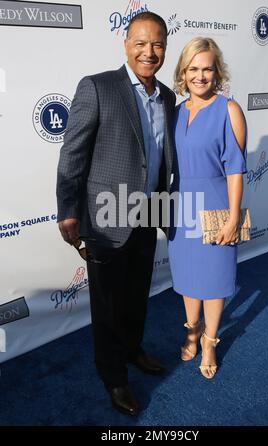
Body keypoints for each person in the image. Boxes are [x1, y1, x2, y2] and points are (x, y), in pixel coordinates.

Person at [56, 12, 176, 415]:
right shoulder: (98, 87)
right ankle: (113, 375)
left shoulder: (167, 96)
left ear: (165, 47)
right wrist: (68, 210)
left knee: (137, 293)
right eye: (141, 43)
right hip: (106, 217)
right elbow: (72, 153)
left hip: (148, 211)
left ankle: (132, 349)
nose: (149, 52)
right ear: (125, 44)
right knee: (106, 303)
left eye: (157, 44)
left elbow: (159, 159)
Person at [168, 37, 247, 379]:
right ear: (183, 73)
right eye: (193, 69)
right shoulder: (174, 112)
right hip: (179, 205)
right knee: (188, 277)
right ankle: (191, 331)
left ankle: (210, 341)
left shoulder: (228, 109)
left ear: (217, 72)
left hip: (215, 205)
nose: (200, 76)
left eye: (207, 69)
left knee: (213, 280)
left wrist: (233, 216)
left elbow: (235, 167)